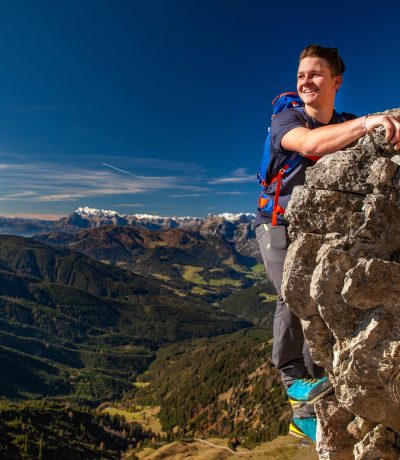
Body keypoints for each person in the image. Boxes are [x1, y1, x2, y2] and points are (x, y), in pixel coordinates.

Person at [255, 44, 400, 442]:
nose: (305, 81)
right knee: (292, 293)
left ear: (336, 81)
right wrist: (372, 122)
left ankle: (306, 410)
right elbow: (311, 145)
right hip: (277, 226)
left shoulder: (344, 123)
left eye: (315, 74)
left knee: (321, 303)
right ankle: (291, 381)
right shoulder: (286, 120)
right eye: (301, 74)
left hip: (317, 230)